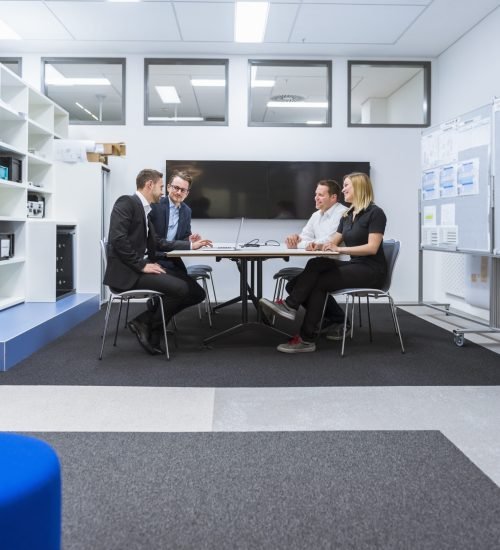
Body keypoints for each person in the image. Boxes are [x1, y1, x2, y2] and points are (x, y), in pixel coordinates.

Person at [260, 172, 387, 353]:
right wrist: (318, 246)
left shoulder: (375, 213)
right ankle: (302, 329)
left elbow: (372, 248)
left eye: (346, 186)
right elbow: (332, 242)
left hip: (372, 271)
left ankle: (299, 324)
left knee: (319, 280)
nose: (343, 190)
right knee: (317, 264)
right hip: (355, 265)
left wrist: (340, 249)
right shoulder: (348, 216)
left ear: (359, 187)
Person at [104, 169, 210, 356]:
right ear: (149, 185)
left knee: (194, 291)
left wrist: (190, 244)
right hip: (128, 272)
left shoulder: (144, 209)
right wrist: (142, 265)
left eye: (182, 190)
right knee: (181, 289)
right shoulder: (127, 202)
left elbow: (158, 242)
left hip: (140, 266)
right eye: (162, 187)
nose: (163, 192)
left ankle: (147, 324)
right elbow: (117, 239)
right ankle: (149, 325)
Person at [284, 179, 349, 338]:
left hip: (342, 263)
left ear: (333, 197)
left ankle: (291, 306)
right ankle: (336, 318)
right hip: (324, 264)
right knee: (293, 285)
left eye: (321, 195)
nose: (316, 198)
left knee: (314, 269)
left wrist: (309, 243)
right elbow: (304, 239)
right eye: (316, 194)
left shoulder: (342, 213)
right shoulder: (316, 215)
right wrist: (297, 239)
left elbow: (330, 240)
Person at [149, 170, 212, 277]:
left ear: (187, 193)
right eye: (176, 188)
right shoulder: (155, 205)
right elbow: (155, 241)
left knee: (192, 289)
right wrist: (191, 245)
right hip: (154, 258)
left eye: (183, 190)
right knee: (187, 290)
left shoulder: (187, 211)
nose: (179, 192)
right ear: (168, 187)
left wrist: (189, 239)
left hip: (173, 258)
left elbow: (184, 236)